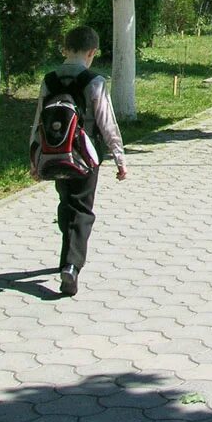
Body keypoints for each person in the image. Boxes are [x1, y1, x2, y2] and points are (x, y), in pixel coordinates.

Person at [30, 25, 128, 297]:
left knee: (67, 203)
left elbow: (38, 121)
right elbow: (107, 123)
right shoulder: (94, 81)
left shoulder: (48, 80)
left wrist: (34, 159)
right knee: (82, 210)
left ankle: (67, 254)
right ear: (92, 53)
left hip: (53, 156)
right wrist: (119, 158)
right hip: (86, 157)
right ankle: (71, 267)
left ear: (65, 49)